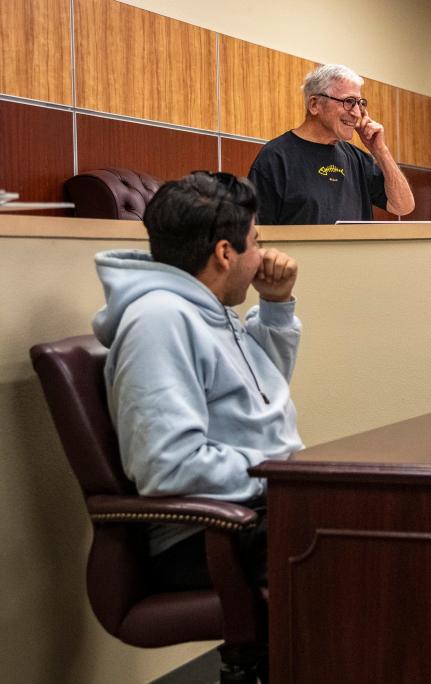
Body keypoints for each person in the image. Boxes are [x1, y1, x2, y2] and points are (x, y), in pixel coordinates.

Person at [92, 171, 303, 595]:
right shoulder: (160, 320)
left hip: (253, 510)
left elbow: (261, 399)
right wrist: (280, 476)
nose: (262, 256)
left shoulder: (207, 308)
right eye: (256, 241)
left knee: (399, 521)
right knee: (382, 545)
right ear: (226, 252)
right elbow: (167, 466)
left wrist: (276, 307)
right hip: (208, 535)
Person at [248, 63, 415, 225]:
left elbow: (403, 207)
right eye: (348, 102)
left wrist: (380, 151)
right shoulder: (275, 158)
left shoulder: (356, 159)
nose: (357, 113)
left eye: (360, 103)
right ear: (314, 105)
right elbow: (258, 234)